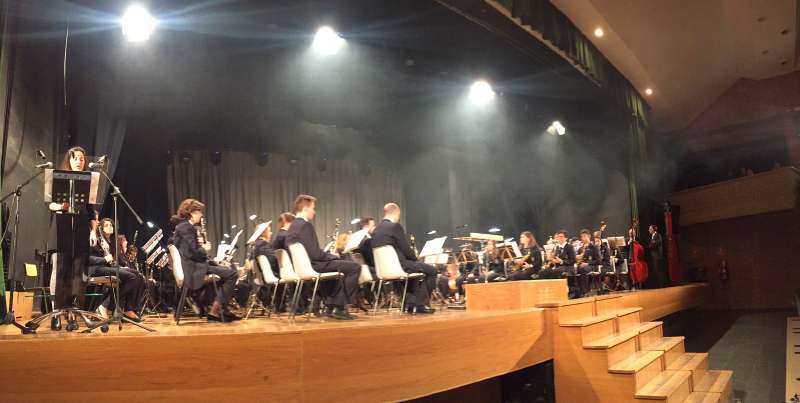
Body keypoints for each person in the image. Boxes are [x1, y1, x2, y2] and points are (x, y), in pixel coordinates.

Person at [47, 146, 98, 330]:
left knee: (78, 273)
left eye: (82, 158)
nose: (79, 161)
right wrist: (62, 206)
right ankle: (56, 313)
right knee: (59, 270)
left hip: (81, 230)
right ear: (69, 160)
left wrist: (93, 232)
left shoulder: (89, 182)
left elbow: (91, 213)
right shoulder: (58, 178)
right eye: (75, 157)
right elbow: (50, 204)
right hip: (61, 228)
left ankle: (72, 313)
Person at [287, 194, 360, 320]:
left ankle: (330, 307)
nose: (314, 212)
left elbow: (311, 251)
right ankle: (340, 307)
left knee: (338, 268)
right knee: (354, 267)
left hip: (304, 266)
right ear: (305, 208)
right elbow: (315, 254)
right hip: (314, 265)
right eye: (313, 208)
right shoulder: (305, 225)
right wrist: (333, 256)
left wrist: (330, 257)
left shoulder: (292, 226)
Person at [170, 199, 240, 322]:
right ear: (192, 212)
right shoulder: (187, 227)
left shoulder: (183, 227)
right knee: (232, 274)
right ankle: (215, 311)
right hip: (193, 269)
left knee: (224, 273)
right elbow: (192, 253)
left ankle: (222, 310)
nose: (201, 215)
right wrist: (205, 248)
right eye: (199, 212)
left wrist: (209, 258)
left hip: (194, 266)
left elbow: (191, 251)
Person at [371, 203, 436, 314]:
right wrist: (416, 258)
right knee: (432, 270)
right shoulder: (395, 227)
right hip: (399, 266)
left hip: (383, 270)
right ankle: (420, 304)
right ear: (397, 213)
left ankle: (410, 304)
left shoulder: (375, 231)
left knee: (413, 270)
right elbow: (407, 251)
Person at [87, 218, 146, 322]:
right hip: (96, 269)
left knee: (139, 276)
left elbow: (115, 260)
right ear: (101, 228)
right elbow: (87, 259)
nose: (110, 227)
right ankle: (106, 306)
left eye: (111, 225)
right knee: (131, 277)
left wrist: (123, 266)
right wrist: (104, 259)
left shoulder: (112, 242)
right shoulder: (95, 239)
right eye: (106, 225)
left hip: (109, 268)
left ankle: (129, 309)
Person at [575, 229, 600, 297]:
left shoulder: (594, 247)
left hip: (592, 266)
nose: (582, 238)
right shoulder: (580, 248)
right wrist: (577, 258)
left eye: (584, 236)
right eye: (581, 236)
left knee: (583, 269)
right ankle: (576, 291)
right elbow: (578, 259)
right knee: (572, 270)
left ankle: (585, 291)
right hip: (581, 265)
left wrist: (588, 263)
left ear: (589, 236)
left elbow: (598, 260)